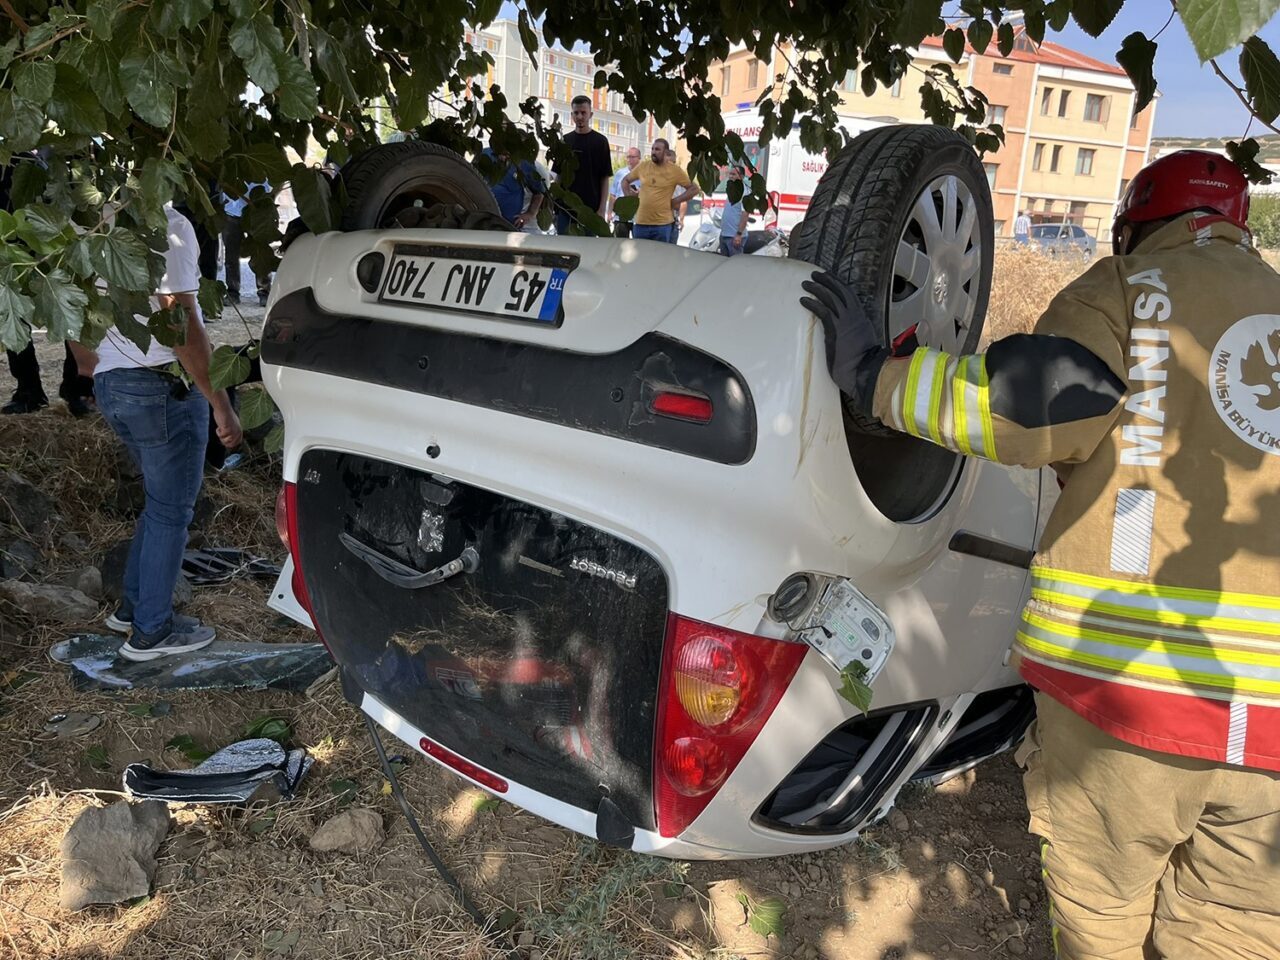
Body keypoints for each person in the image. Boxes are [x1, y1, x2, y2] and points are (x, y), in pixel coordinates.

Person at [799, 150, 1280, 960]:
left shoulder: (1131, 292)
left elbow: (1032, 410)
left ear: (1136, 227)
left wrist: (878, 375)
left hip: (1133, 698)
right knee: (1238, 928)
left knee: (1101, 908)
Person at [96, 203, 243, 662]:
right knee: (173, 510)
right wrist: (221, 402)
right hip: (158, 385)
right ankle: (152, 633)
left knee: (159, 505)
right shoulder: (169, 226)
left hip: (112, 380)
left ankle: (134, 608)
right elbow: (180, 326)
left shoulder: (91, 215)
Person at [551, 96, 612, 235]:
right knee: (564, 250)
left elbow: (604, 178)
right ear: (572, 115)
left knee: (587, 251)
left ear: (590, 114)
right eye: (576, 113)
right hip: (565, 209)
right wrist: (554, 206)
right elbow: (558, 176)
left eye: (583, 113)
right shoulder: (564, 141)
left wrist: (602, 209)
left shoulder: (600, 142)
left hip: (591, 211)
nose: (579, 116)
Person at [621, 138, 699, 243]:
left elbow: (694, 189)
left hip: (662, 225)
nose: (653, 152)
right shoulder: (644, 166)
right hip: (641, 223)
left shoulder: (674, 170)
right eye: (652, 149)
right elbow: (625, 181)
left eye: (657, 149)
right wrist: (629, 197)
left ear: (665, 152)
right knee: (640, 258)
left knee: (660, 258)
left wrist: (676, 201)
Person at [221, 181, 272, 306]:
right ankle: (233, 292)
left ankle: (264, 291)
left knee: (260, 251)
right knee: (231, 255)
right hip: (230, 209)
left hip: (256, 208)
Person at [481, 148, 547, 233]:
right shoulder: (485, 154)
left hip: (508, 226)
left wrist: (530, 213)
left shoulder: (524, 162)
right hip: (481, 221)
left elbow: (539, 192)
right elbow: (470, 177)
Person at [607, 147, 642, 238]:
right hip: (620, 217)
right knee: (620, 244)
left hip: (637, 217)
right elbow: (613, 194)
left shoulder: (644, 174)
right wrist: (609, 213)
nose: (629, 159)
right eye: (628, 157)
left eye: (632, 157)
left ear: (639, 158)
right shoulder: (620, 173)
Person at [719, 166, 747, 256]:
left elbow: (745, 215)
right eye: (730, 174)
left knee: (734, 267)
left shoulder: (744, 193)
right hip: (725, 235)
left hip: (734, 237)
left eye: (734, 174)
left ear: (742, 176)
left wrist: (739, 234)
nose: (731, 176)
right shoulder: (732, 191)